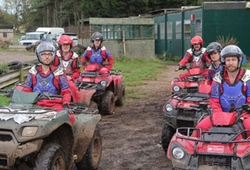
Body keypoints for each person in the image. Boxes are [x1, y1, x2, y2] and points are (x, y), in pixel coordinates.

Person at [192, 45, 250, 137]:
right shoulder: (218, 78)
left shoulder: (247, 77)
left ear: (239, 60)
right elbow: (215, 101)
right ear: (224, 61)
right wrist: (219, 116)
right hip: (221, 114)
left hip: (243, 116)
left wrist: (242, 116)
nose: (231, 63)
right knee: (199, 129)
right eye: (228, 60)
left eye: (233, 60)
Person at [23, 42, 71, 111]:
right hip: (35, 104)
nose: (47, 57)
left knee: (68, 118)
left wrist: (66, 103)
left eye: (49, 54)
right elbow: (27, 90)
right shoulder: (33, 72)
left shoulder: (59, 73)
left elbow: (66, 91)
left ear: (53, 56)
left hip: (54, 105)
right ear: (39, 56)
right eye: (43, 54)